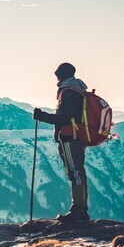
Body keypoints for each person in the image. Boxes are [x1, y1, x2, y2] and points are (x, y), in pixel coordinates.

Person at [33, 62, 90, 223]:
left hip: (69, 138)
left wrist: (42, 116)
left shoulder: (69, 92)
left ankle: (78, 211)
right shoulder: (77, 89)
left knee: (75, 173)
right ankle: (80, 209)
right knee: (77, 172)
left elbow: (65, 118)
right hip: (77, 137)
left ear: (61, 75)